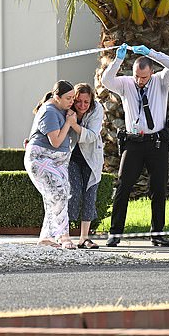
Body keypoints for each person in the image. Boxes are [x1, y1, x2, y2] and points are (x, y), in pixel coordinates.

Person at [100, 43, 169, 247]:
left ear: (151, 72)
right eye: (136, 76)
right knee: (123, 186)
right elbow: (106, 80)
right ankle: (115, 233)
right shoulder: (126, 84)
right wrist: (117, 60)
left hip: (157, 143)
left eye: (143, 77)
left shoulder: (161, 82)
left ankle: (157, 234)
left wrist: (152, 53)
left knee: (158, 188)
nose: (139, 80)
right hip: (133, 143)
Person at [24, 80, 78, 249]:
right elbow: (55, 141)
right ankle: (63, 236)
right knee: (58, 193)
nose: (72, 102)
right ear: (57, 97)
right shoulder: (49, 111)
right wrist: (69, 123)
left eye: (73, 98)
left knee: (55, 197)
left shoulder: (60, 109)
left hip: (58, 161)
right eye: (68, 98)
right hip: (41, 159)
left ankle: (46, 237)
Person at [67, 83, 104, 249]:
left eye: (86, 102)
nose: (82, 105)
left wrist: (74, 125)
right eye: (78, 101)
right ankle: (64, 236)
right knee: (72, 193)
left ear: (91, 102)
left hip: (91, 158)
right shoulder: (66, 109)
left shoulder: (97, 110)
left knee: (90, 195)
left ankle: (84, 238)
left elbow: (91, 136)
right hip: (71, 158)